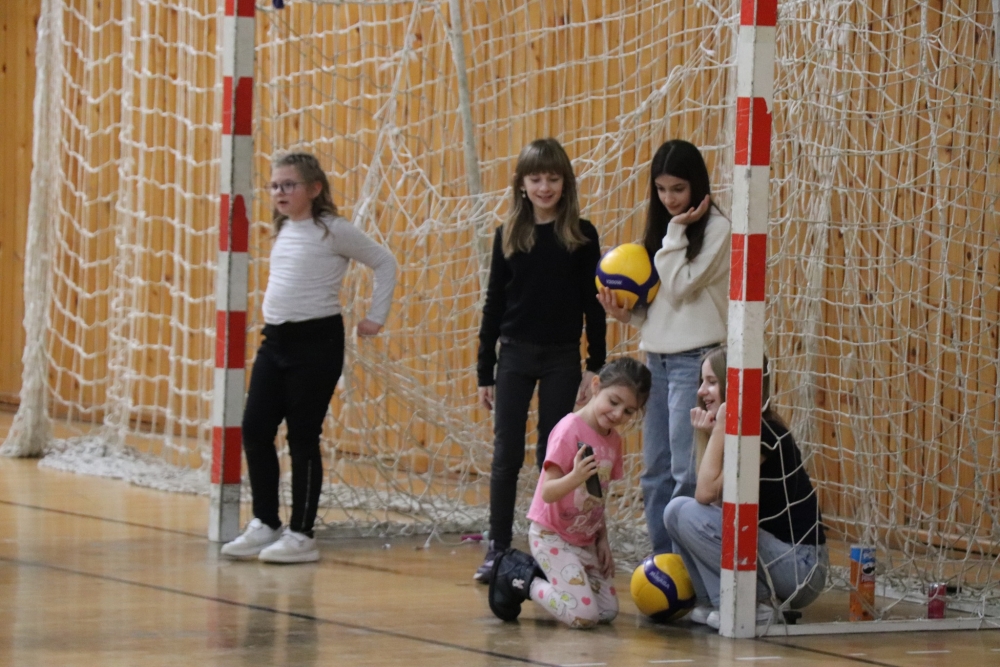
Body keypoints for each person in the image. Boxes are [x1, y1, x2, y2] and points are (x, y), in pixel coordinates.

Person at [221, 151, 398, 564]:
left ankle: (302, 534)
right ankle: (266, 521)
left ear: (315, 189)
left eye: (289, 185)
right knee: (255, 428)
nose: (280, 192)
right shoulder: (284, 227)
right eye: (275, 186)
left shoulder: (332, 229)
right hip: (275, 342)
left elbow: (384, 262)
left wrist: (375, 317)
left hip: (316, 343)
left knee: (302, 437)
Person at [474, 138, 607, 583]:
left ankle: (552, 545)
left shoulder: (582, 236)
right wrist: (484, 370)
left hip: (561, 358)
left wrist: (595, 364)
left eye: (553, 178)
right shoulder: (508, 235)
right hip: (513, 354)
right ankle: (497, 546)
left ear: (565, 184)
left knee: (552, 455)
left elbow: (593, 306)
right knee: (505, 453)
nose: (544, 187)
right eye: (536, 179)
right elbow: (493, 306)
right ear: (522, 184)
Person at [597, 139, 730, 555]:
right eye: (661, 189)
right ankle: (663, 564)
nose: (669, 199)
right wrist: (628, 315)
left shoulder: (717, 229)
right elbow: (661, 303)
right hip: (656, 358)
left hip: (696, 360)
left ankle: (688, 566)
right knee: (654, 471)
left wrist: (674, 232)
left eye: (678, 189)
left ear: (697, 185)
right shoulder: (664, 231)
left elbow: (679, 285)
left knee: (686, 471)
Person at [663, 347, 829, 629]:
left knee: (687, 512)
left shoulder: (764, 433)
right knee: (676, 512)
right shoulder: (736, 431)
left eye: (711, 382)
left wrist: (717, 430)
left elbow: (704, 493)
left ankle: (754, 605)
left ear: (734, 387)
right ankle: (713, 600)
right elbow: (714, 505)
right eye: (702, 382)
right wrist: (712, 435)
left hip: (801, 568)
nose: (701, 391)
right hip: (777, 558)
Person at [487, 357, 652, 627]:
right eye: (613, 402)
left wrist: (602, 540)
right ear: (596, 386)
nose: (617, 414)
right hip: (552, 536)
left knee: (607, 612)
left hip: (585, 539)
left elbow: (599, 497)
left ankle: (558, 577)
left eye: (628, 411)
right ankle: (521, 578)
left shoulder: (614, 440)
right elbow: (548, 493)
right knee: (583, 616)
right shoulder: (569, 429)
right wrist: (575, 477)